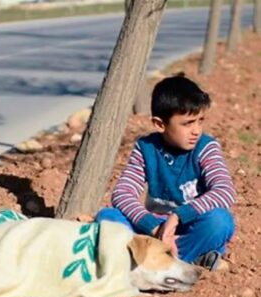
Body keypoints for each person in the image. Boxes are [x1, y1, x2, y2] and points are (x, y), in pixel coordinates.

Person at [96, 74, 235, 271]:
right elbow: (122, 193)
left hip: (189, 226)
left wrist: (178, 216)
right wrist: (153, 226)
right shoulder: (146, 148)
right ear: (160, 124)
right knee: (107, 217)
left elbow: (224, 191)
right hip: (153, 228)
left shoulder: (206, 147)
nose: (196, 130)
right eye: (187, 123)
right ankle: (190, 258)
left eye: (200, 121)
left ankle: (155, 262)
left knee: (220, 222)